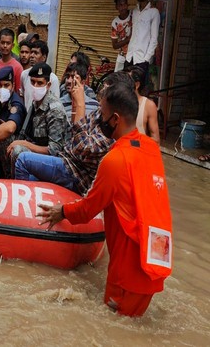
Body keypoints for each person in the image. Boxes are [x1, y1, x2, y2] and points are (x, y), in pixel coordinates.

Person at [38, 78, 172, 317]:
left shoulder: (115, 161)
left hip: (128, 273)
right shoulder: (151, 150)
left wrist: (62, 212)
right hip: (154, 263)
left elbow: (89, 208)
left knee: (115, 327)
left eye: (101, 113)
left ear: (116, 120)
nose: (98, 118)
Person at [15, 69, 113, 195]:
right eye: (32, 82)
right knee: (26, 171)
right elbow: (74, 135)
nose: (101, 93)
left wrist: (80, 104)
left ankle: (23, 205)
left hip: (75, 173)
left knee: (22, 158)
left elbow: (78, 147)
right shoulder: (99, 112)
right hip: (67, 161)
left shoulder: (111, 126)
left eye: (39, 83)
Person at [7, 62, 68, 177]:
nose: (35, 86)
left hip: (54, 163)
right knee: (7, 138)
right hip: (38, 151)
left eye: (40, 83)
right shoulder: (35, 104)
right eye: (33, 82)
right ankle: (9, 177)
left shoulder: (55, 110)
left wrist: (24, 144)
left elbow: (55, 151)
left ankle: (20, 187)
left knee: (18, 150)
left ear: (48, 85)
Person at [126, 0, 160, 84]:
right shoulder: (134, 11)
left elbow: (154, 39)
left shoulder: (154, 12)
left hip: (141, 60)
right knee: (126, 87)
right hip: (130, 57)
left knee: (137, 89)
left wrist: (146, 59)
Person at [20, 40, 60, 108]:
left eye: (36, 53)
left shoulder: (53, 79)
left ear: (44, 57)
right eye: (31, 52)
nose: (32, 56)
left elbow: (54, 104)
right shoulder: (24, 74)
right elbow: (23, 96)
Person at [129, 66, 160, 143]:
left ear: (137, 85)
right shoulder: (118, 102)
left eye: (126, 82)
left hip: (138, 151)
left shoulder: (148, 105)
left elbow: (156, 139)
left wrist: (133, 143)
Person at [0, 28, 23, 93]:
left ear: (12, 45)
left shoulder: (18, 67)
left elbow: (19, 90)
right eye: (3, 43)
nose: (5, 46)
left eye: (8, 43)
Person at [111, 0, 132, 72]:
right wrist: (127, 40)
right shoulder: (115, 23)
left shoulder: (133, 15)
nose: (123, 7)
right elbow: (115, 45)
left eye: (124, 4)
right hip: (122, 56)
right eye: (120, 5)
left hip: (134, 56)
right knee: (117, 79)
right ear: (116, 7)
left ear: (127, 5)